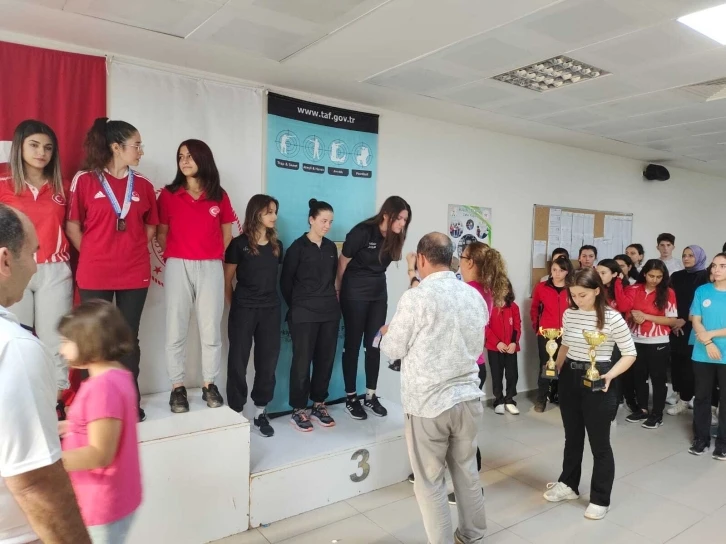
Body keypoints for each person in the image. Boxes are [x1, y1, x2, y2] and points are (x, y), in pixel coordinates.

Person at [380, 233, 488, 544]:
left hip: (429, 404)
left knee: (429, 481)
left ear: (422, 259)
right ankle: (473, 535)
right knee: (467, 471)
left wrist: (387, 334)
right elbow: (476, 344)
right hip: (469, 397)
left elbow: (393, 348)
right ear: (451, 259)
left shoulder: (416, 298)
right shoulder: (472, 295)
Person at [0, 204, 90, 544]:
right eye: (32, 254)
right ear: (5, 260)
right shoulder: (16, 348)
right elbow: (35, 483)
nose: (36, 266)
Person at [66, 118, 159, 422]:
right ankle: (93, 406)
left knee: (128, 338)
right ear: (116, 147)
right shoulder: (85, 180)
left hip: (134, 272)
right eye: (136, 145)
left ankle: (129, 401)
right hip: (95, 272)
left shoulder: (144, 185)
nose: (141, 151)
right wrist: (95, 253)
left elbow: (151, 225)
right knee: (94, 337)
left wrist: (131, 249)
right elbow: (73, 225)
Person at [543, 268, 636, 520]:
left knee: (599, 443)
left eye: (582, 295)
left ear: (597, 290)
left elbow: (630, 353)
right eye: (573, 295)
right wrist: (555, 366)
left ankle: (600, 498)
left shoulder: (612, 318)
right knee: (572, 437)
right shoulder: (570, 314)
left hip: (599, 378)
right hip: (570, 378)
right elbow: (566, 344)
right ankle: (568, 484)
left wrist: (610, 375)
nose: (577, 300)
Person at [157, 140, 234, 414]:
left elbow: (227, 234)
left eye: (190, 156)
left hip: (211, 266)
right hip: (178, 264)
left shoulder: (218, 195)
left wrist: (209, 254)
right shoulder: (168, 194)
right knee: (175, 327)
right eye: (180, 156)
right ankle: (177, 387)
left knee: (211, 328)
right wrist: (178, 254)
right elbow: (161, 233)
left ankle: (209, 383)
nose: (184, 161)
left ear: (203, 158)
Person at [0, 120, 72, 405]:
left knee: (56, 339)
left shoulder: (63, 187)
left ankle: (56, 402)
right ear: (19, 147)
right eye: (34, 145)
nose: (42, 152)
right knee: (17, 338)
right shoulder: (3, 185)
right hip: (15, 269)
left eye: (48, 147)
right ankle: (20, 401)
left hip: (55, 269)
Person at [58, 300, 142, 543]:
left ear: (89, 342)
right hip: (113, 499)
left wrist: (50, 461)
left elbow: (100, 454)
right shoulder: (118, 375)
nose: (61, 350)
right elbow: (102, 425)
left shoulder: (102, 388)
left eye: (66, 341)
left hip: (100, 505)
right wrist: (68, 426)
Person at [336, 196, 411, 420]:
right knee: (352, 344)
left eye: (405, 220)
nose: (402, 224)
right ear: (386, 214)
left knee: (375, 343)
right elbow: (342, 262)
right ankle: (351, 397)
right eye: (399, 218)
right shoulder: (362, 232)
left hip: (378, 293)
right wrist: (338, 290)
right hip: (354, 291)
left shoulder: (395, 237)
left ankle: (370, 395)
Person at [225, 194, 283, 437]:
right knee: (237, 361)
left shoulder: (277, 246)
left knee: (267, 362)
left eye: (275, 211)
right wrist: (236, 306)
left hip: (270, 310)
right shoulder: (238, 244)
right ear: (256, 213)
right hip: (243, 309)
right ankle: (236, 412)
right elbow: (227, 280)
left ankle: (260, 412)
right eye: (269, 211)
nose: (274, 216)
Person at [280, 199, 340, 431]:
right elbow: (285, 283)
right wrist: (298, 306)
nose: (327, 226)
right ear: (311, 219)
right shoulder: (297, 248)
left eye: (330, 222)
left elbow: (332, 278)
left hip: (329, 312)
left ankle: (318, 404)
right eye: (323, 221)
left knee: (325, 360)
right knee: (302, 363)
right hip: (303, 313)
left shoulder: (330, 248)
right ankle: (298, 409)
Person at [620, 259, 678, 429]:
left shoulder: (668, 292)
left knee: (658, 379)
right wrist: (633, 315)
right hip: (635, 339)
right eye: (651, 276)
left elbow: (672, 320)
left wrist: (646, 316)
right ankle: (643, 409)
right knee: (639, 377)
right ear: (644, 274)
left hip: (658, 341)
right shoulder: (633, 289)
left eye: (659, 277)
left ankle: (657, 414)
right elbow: (625, 310)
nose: (654, 280)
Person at [690, 253, 726, 457]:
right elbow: (696, 320)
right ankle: (701, 438)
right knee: (702, 397)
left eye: (723, 266)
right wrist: (708, 342)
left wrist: (710, 335)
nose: (716, 269)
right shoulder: (702, 290)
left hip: (724, 353)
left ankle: (723, 442)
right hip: (702, 352)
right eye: (714, 265)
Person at [667, 245, 709, 416]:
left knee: (689, 365)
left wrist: (684, 319)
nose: (686, 258)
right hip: (675, 324)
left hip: (694, 325)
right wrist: (673, 321)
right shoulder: (676, 276)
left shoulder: (705, 276)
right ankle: (680, 395)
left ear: (699, 257)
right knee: (676, 362)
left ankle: (688, 398)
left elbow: (701, 303)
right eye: (684, 255)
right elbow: (669, 299)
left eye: (691, 255)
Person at [531, 256, 575, 412]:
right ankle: (541, 399)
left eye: (561, 270)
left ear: (567, 272)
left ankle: (560, 397)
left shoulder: (573, 289)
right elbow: (534, 308)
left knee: (564, 366)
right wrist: (537, 327)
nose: (557, 273)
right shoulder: (541, 287)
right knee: (545, 365)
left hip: (566, 334)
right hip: (546, 334)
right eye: (554, 269)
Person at [486, 279, 521, 414]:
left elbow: (517, 327)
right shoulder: (489, 307)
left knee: (512, 375)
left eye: (505, 288)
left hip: (510, 347)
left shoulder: (514, 307)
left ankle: (509, 400)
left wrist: (513, 343)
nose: (502, 290)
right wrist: (497, 342)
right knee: (497, 375)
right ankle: (499, 400)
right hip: (494, 348)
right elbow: (486, 327)